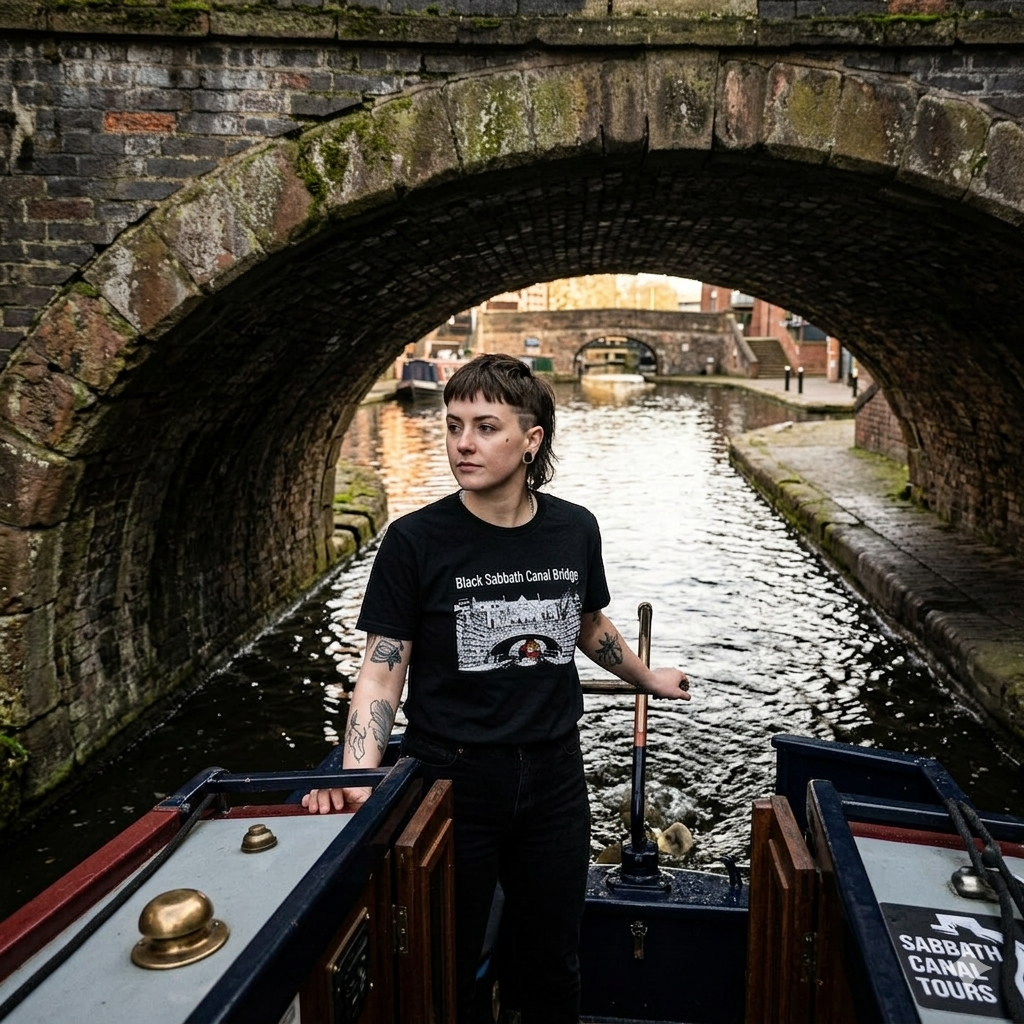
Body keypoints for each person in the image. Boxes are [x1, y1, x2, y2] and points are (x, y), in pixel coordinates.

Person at [303, 353, 690, 1022]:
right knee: (445, 962)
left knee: (551, 962)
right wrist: (359, 776)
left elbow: (588, 623)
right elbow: (382, 667)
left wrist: (646, 678)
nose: (462, 444)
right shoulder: (415, 541)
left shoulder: (573, 528)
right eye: (453, 426)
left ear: (531, 439)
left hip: (553, 778)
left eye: (485, 427)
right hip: (452, 781)